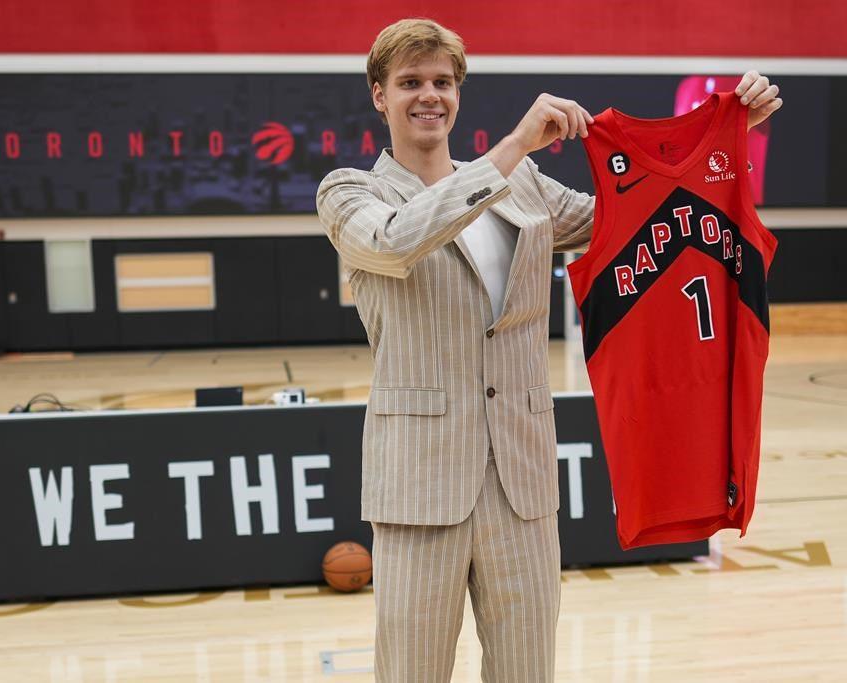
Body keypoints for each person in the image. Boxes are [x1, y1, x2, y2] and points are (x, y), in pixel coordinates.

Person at [315, 17, 782, 683]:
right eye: (410, 82)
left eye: (443, 82)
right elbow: (396, 241)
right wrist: (508, 150)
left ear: (458, 93)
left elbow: (642, 215)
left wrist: (727, 140)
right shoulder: (350, 192)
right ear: (379, 95)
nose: (430, 95)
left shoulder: (528, 186)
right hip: (419, 488)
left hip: (523, 484)